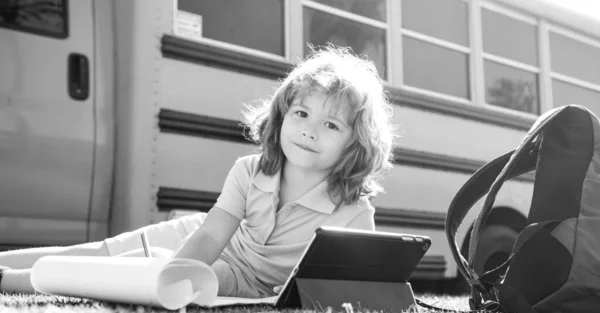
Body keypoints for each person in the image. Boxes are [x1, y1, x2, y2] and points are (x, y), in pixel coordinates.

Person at [0, 45, 395, 298]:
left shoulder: (354, 211)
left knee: (119, 272)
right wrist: (173, 270)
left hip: (233, 275)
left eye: (331, 125)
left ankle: (6, 280)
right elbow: (211, 233)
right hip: (201, 236)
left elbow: (357, 286)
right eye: (302, 113)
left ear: (355, 142)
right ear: (282, 115)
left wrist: (165, 278)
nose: (310, 129)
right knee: (98, 252)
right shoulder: (250, 170)